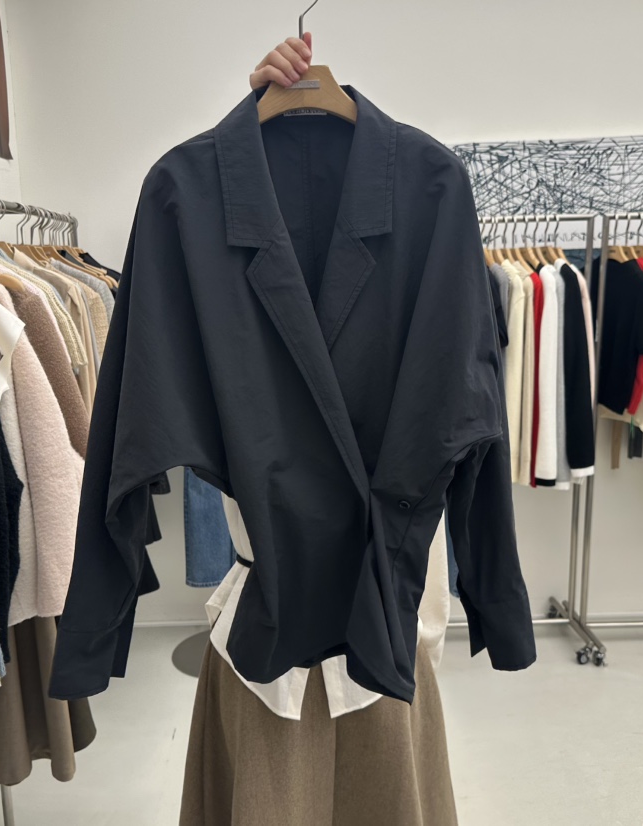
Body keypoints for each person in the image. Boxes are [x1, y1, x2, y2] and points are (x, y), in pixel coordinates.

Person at [178, 36, 460, 826]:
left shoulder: (432, 190)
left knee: (377, 780)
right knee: (281, 785)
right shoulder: (190, 199)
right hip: (267, 617)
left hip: (384, 598)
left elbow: (466, 412)